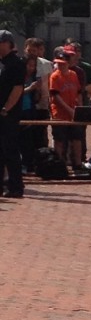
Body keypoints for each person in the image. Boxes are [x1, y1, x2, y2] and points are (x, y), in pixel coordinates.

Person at [0, 29, 26, 198]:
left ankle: (16, 186)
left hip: (8, 115)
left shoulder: (16, 63)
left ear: (8, 44)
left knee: (10, 151)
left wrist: (6, 109)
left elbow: (17, 89)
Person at [49, 47, 82, 169]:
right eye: (58, 63)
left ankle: (77, 163)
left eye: (63, 64)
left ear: (68, 63)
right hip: (60, 114)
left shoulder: (73, 75)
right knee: (59, 140)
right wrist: (69, 109)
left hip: (73, 112)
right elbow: (55, 96)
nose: (60, 66)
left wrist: (79, 109)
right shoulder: (55, 76)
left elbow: (78, 92)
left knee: (76, 138)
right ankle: (58, 164)